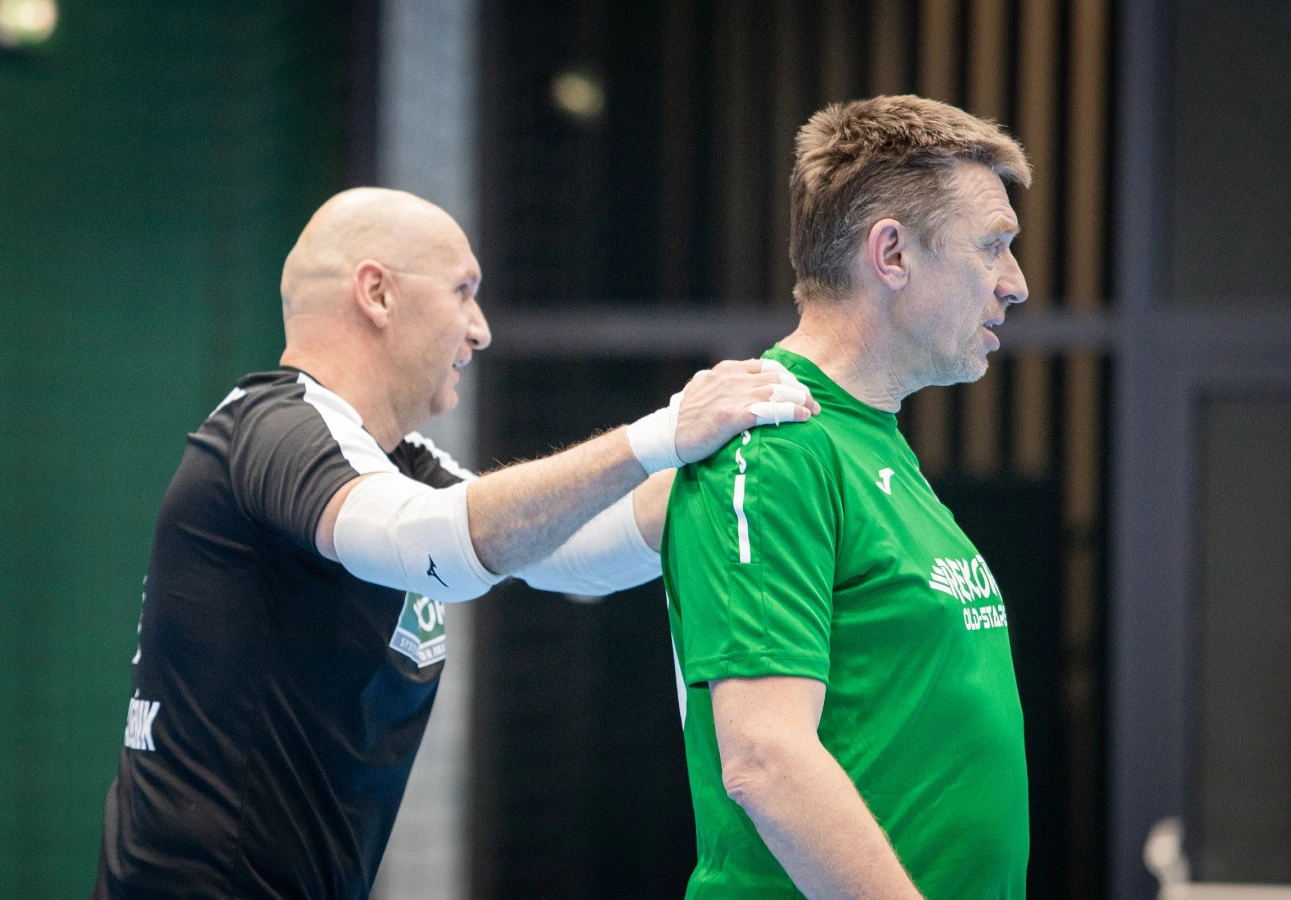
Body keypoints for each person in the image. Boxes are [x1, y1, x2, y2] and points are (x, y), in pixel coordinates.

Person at [93, 187, 818, 899]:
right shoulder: (271, 429)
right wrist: (661, 434)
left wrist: (736, 465)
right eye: (463, 291)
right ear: (376, 293)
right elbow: (432, 547)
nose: (481, 330)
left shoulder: (395, 462)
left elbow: (576, 552)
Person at [663, 94, 1033, 899]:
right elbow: (765, 760)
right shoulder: (777, 446)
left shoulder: (871, 438)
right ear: (891, 253)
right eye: (993, 247)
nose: (1017, 284)